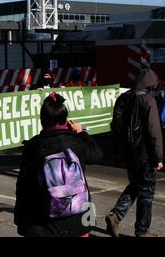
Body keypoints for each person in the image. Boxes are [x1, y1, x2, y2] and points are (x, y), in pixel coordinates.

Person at [14, 92, 103, 237]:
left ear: (42, 120)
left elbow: (23, 186)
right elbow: (97, 154)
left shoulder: (33, 146)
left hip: (43, 222)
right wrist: (81, 132)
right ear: (65, 120)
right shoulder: (77, 143)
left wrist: (20, 220)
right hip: (79, 218)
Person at [105, 68, 163, 237]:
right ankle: (142, 231)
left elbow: (114, 126)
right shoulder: (148, 100)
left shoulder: (123, 98)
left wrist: (116, 152)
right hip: (144, 154)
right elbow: (154, 131)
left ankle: (115, 214)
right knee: (146, 191)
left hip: (128, 152)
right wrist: (158, 157)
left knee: (136, 185)